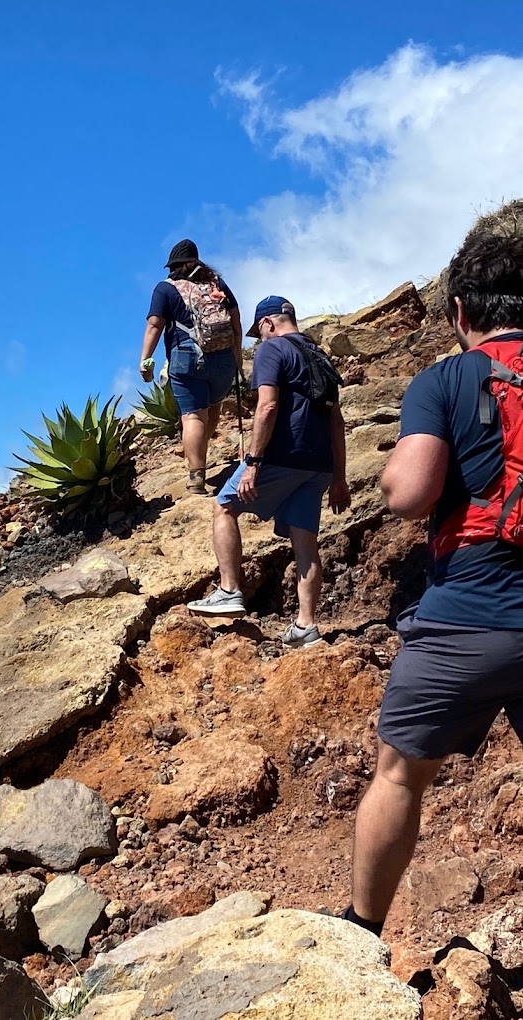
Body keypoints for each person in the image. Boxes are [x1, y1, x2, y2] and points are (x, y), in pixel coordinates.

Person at [341, 229, 523, 939]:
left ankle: (359, 935)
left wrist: (389, 474)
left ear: (457, 313)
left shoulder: (444, 380)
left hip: (468, 613)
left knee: (396, 774)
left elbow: (411, 493)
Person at [187, 296, 350, 646]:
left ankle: (230, 590)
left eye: (258, 333)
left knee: (224, 506)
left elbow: (269, 406)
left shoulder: (271, 350)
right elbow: (336, 421)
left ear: (268, 324)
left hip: (282, 456)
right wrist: (339, 478)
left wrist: (253, 464)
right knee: (305, 541)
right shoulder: (319, 355)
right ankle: (306, 627)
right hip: (319, 464)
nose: (258, 341)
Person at [140, 239, 242, 494]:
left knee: (194, 416)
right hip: (222, 358)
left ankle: (196, 476)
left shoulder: (165, 289)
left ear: (172, 266)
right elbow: (235, 319)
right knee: (213, 408)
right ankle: (199, 456)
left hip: (186, 357)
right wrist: (237, 356)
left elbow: (155, 324)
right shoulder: (216, 285)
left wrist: (145, 360)